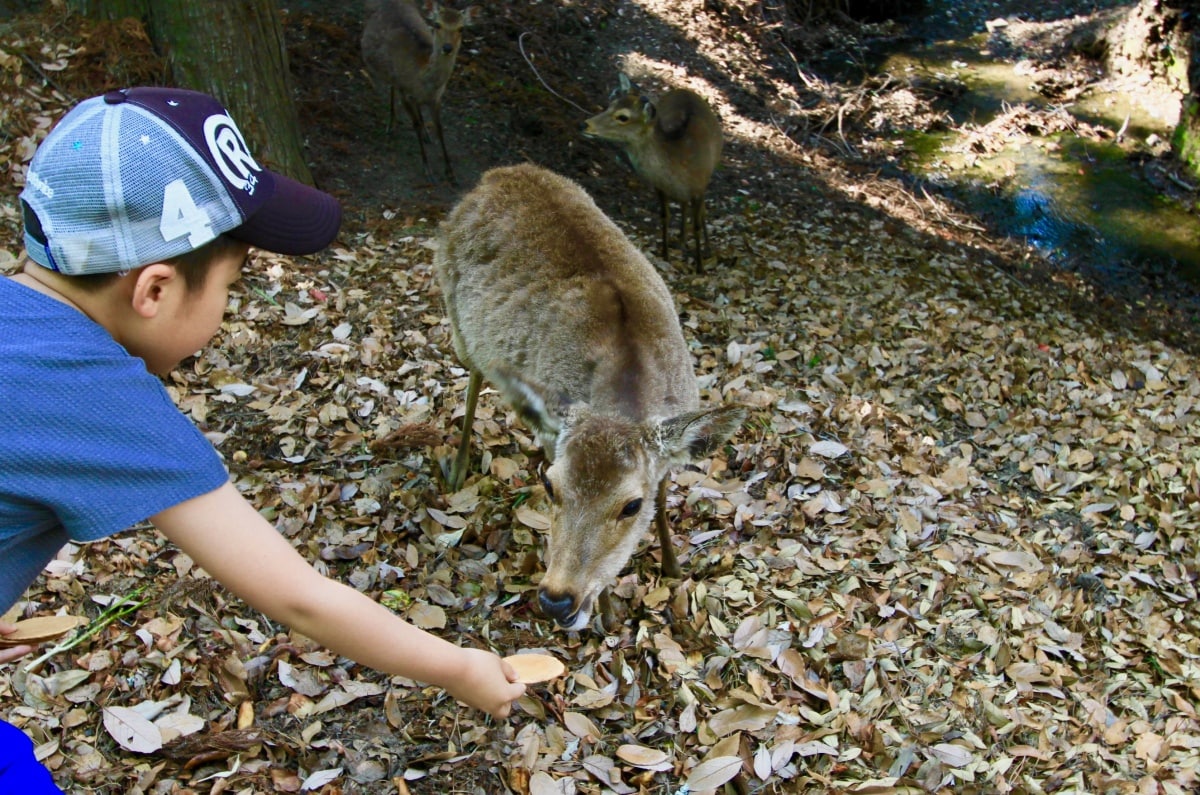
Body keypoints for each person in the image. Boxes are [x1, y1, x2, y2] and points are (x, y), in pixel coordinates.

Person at [0, 86, 525, 791]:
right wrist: (461, 668)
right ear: (154, 290)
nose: (229, 305)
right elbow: (298, 599)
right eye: (231, 285)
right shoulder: (101, 398)